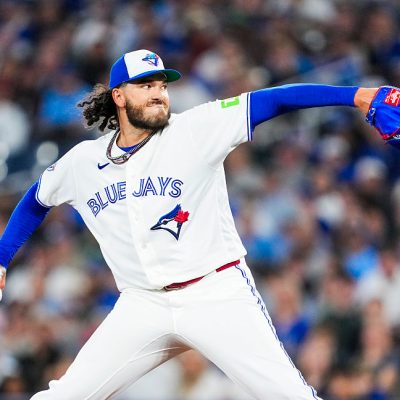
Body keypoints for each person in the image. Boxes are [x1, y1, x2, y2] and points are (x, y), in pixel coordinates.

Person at [0, 49, 382, 399]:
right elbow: (36, 199)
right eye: (145, 85)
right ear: (118, 96)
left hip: (214, 292)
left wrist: (356, 95)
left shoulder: (195, 128)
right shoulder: (84, 161)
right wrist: (3, 256)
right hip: (142, 303)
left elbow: (274, 99)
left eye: (162, 85)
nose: (158, 93)